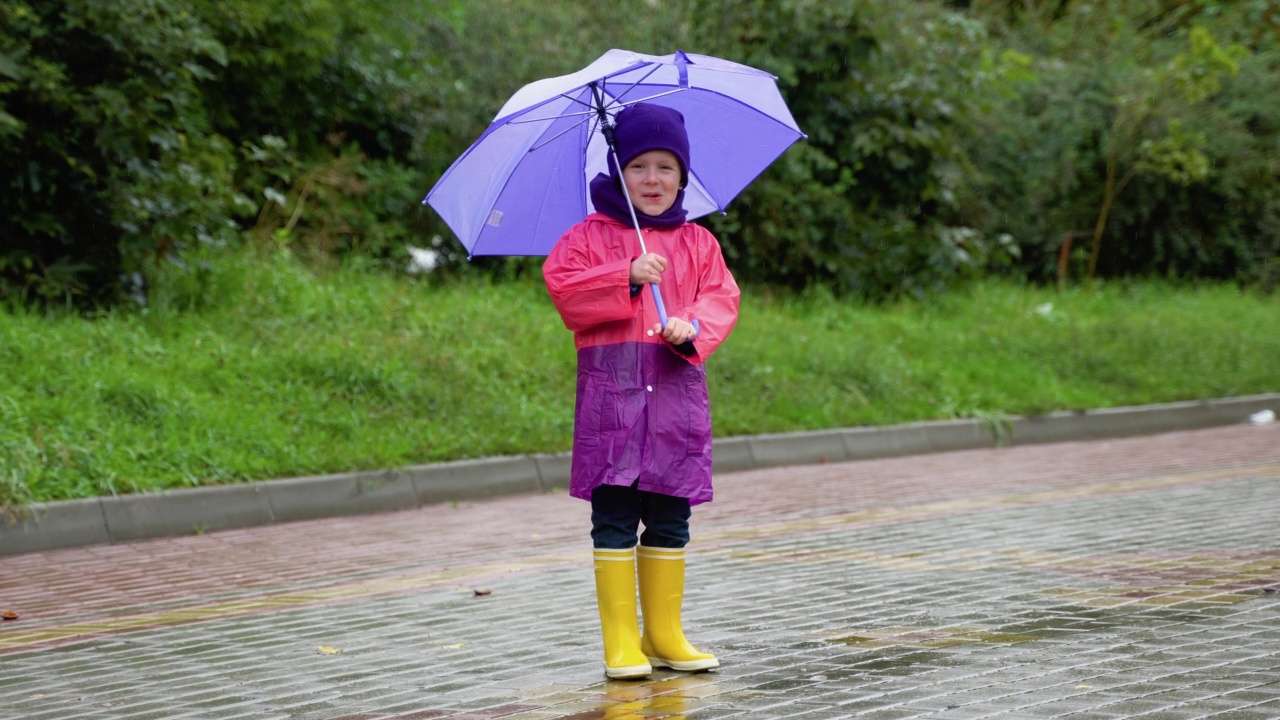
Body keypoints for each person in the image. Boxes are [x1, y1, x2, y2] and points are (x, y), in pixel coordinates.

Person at [542, 103, 740, 680]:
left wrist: (691, 326)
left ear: (683, 177)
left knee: (671, 517)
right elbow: (566, 294)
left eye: (665, 168)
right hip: (614, 401)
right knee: (614, 517)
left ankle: (665, 633)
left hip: (676, 402)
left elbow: (721, 298)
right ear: (618, 171)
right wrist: (624, 275)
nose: (653, 181)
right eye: (639, 167)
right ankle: (622, 642)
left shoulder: (700, 243)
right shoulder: (587, 237)